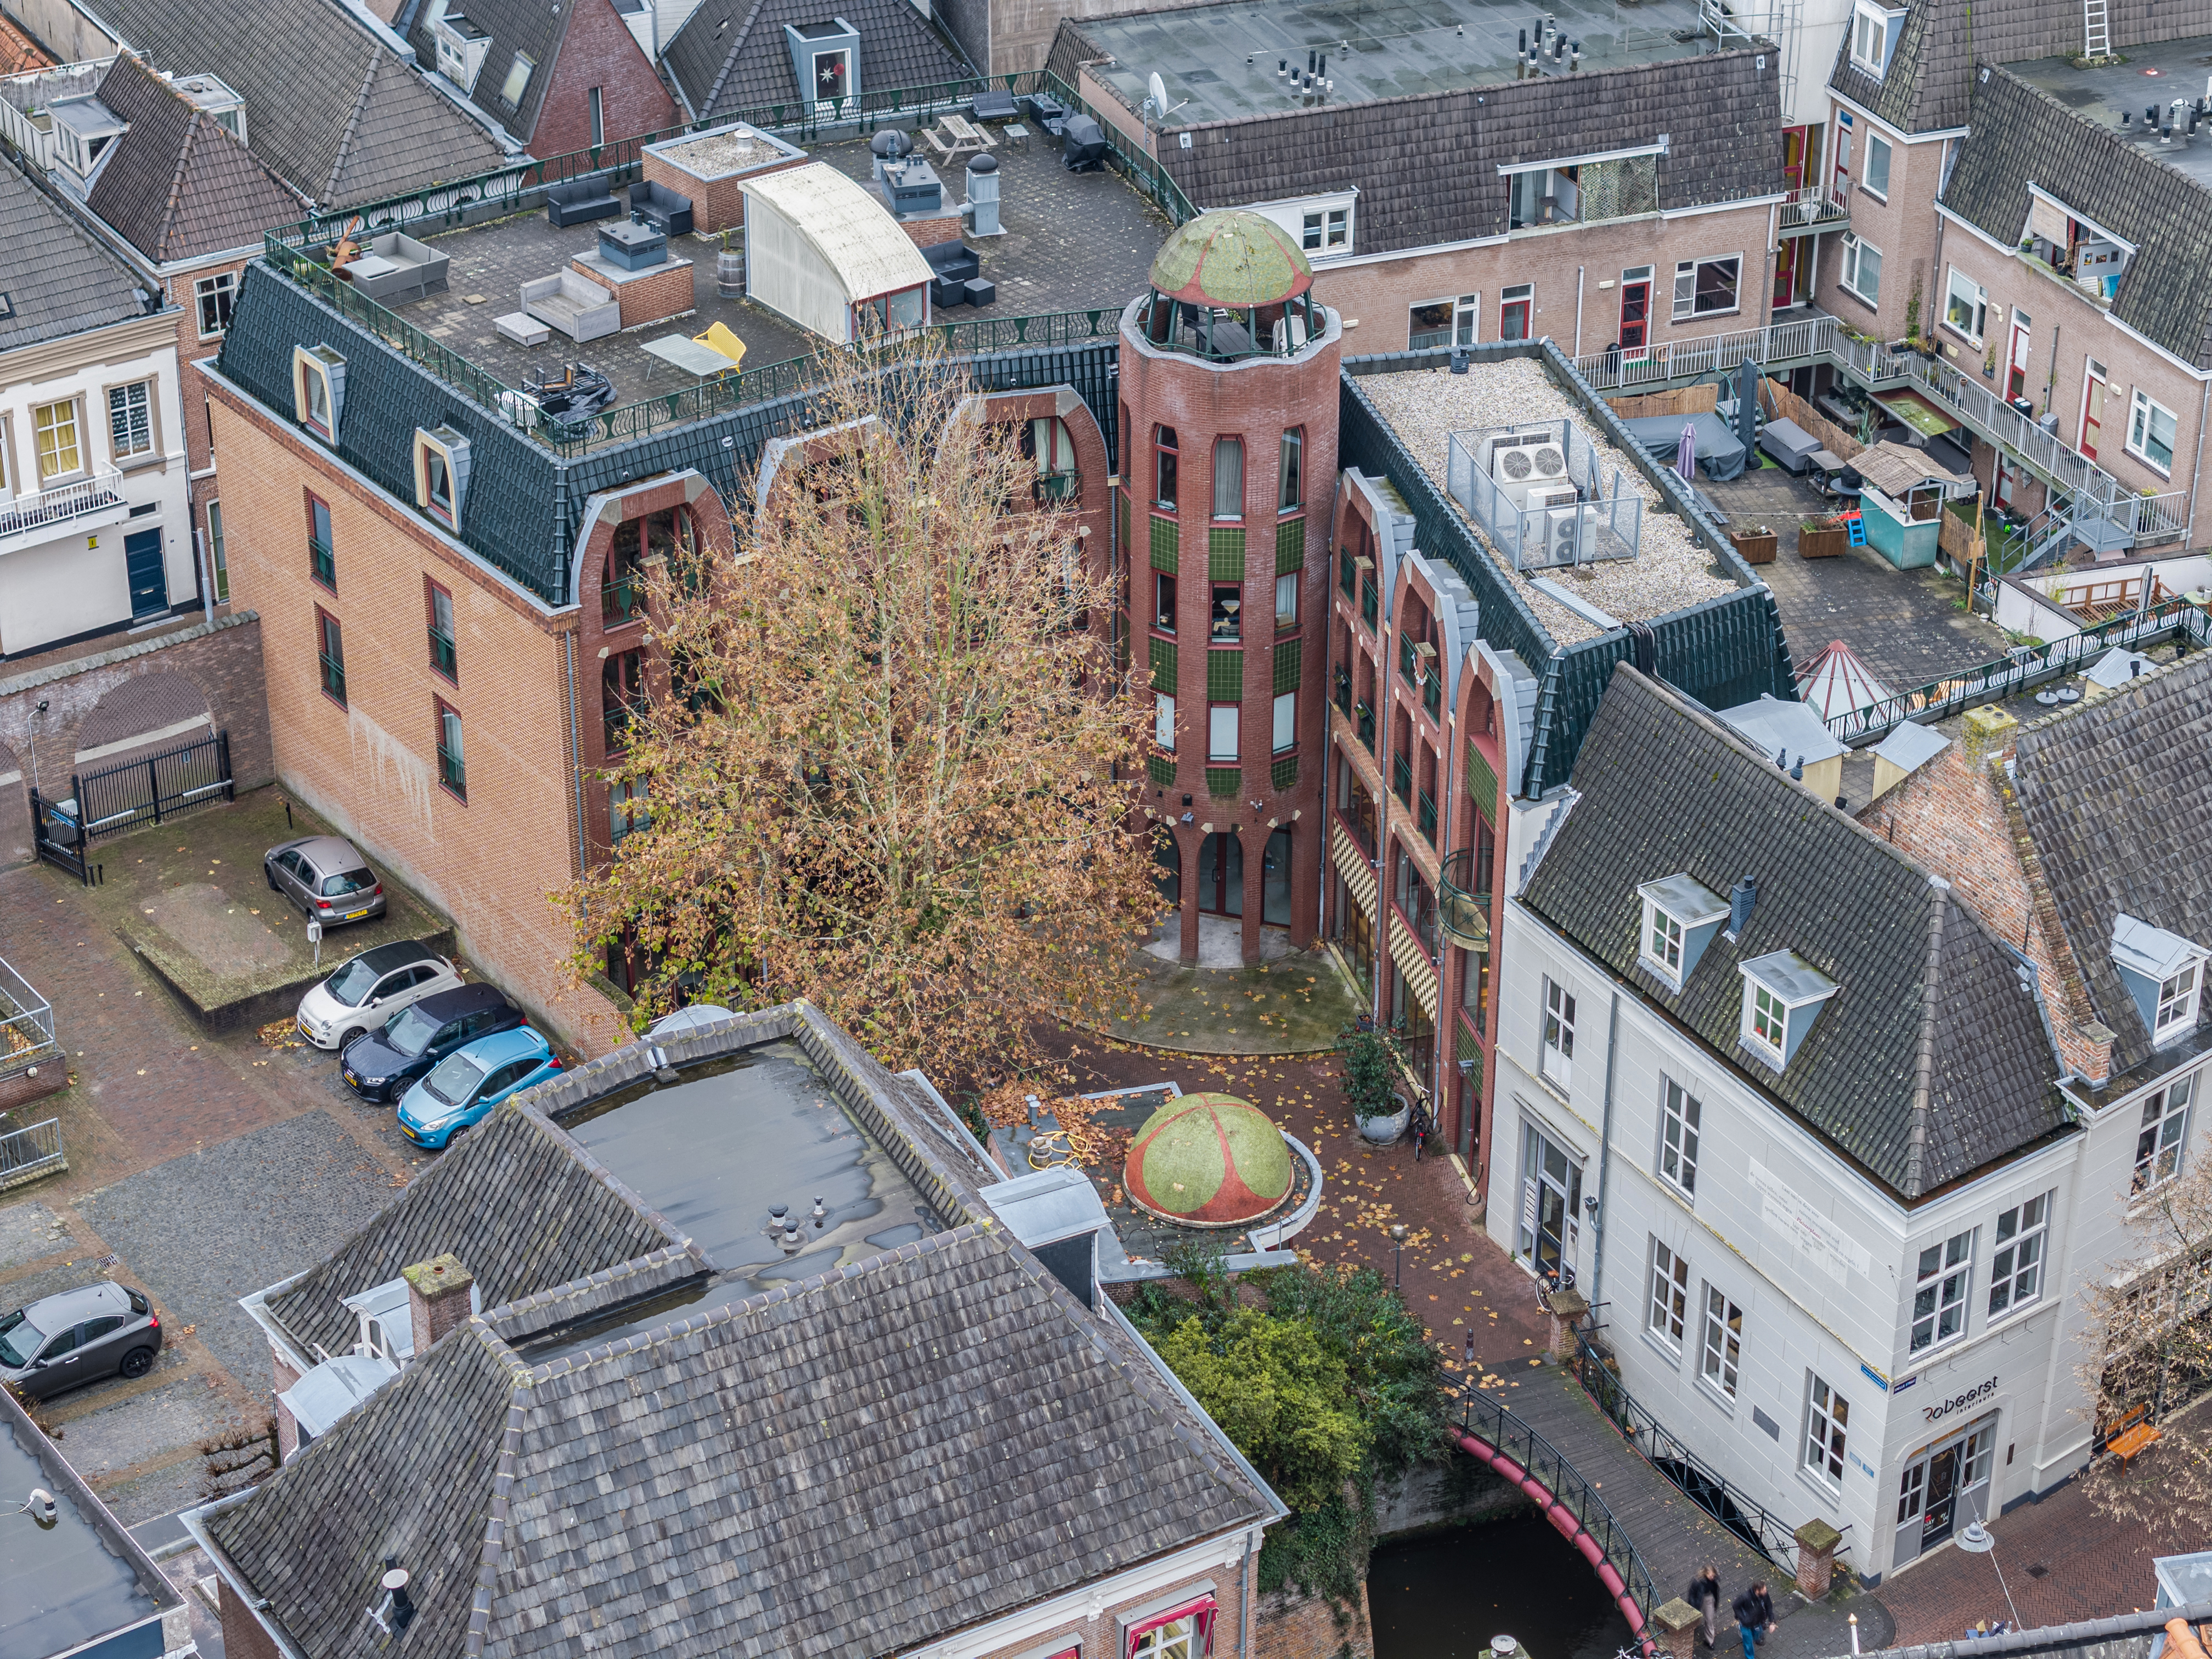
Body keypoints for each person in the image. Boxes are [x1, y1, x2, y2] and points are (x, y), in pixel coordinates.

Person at [1734, 1582, 1777, 1659]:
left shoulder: (1765, 1595)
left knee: (1758, 1635)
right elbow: (1735, 1606)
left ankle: (1741, 1630)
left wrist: (1772, 1622)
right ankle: (1750, 1657)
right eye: (1764, 1591)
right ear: (1757, 1591)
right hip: (1746, 1625)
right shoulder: (1746, 1597)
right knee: (1749, 1644)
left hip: (1758, 1622)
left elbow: (1769, 1607)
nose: (1766, 1592)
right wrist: (1743, 1619)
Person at [1686, 1566, 1723, 1649]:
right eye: (1710, 1575)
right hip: (1698, 1599)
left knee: (1709, 1620)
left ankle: (1710, 1641)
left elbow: (1716, 1593)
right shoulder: (1697, 1581)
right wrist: (1693, 1605)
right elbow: (1691, 1594)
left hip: (1708, 1598)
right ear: (1706, 1573)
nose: (1712, 1577)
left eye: (1713, 1575)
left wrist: (1716, 1604)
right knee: (1693, 1620)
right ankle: (1688, 1636)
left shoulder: (1714, 1581)